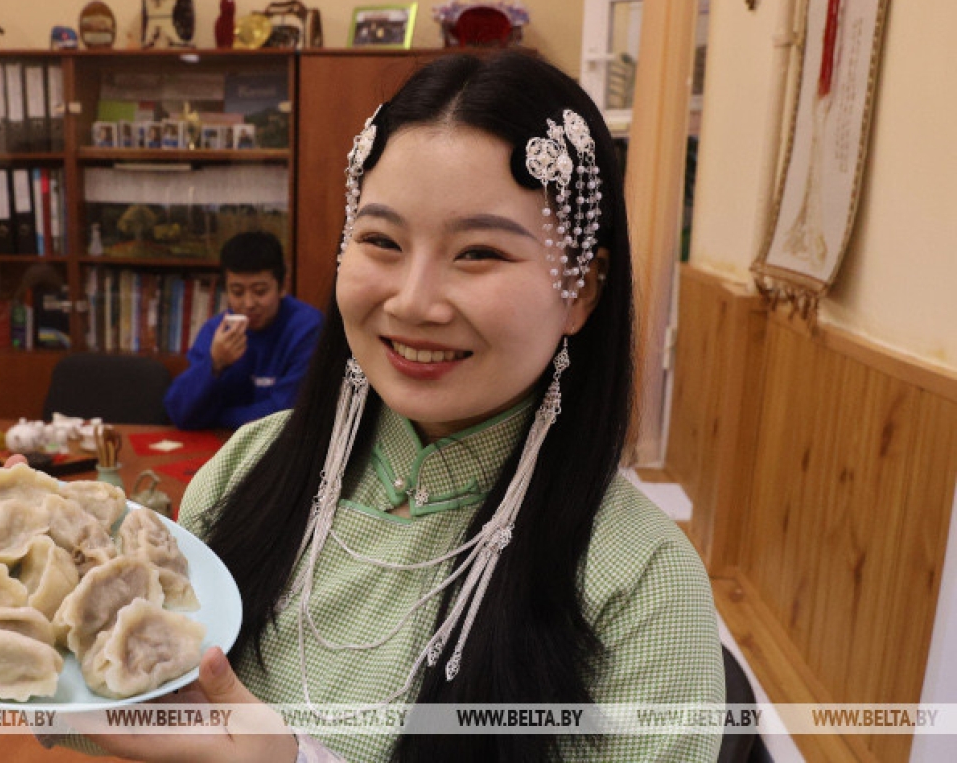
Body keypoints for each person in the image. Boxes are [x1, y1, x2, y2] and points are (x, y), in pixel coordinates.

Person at [89, 51, 724, 761]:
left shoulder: (640, 583)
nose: (414, 301)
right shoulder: (243, 471)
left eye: (479, 252)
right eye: (381, 240)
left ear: (581, 289)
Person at [163, 231, 321, 430]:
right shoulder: (217, 330)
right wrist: (215, 363)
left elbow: (286, 414)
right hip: (220, 446)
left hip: (281, 447)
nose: (248, 303)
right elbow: (179, 413)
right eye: (237, 292)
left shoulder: (307, 328)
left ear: (282, 286)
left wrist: (215, 417)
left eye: (260, 291)